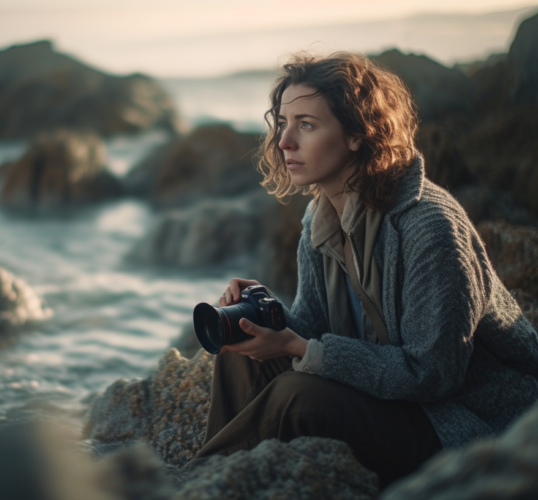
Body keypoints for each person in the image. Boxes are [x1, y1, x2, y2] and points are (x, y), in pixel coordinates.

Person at [193, 52, 538, 488]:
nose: (284, 142)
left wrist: (302, 349)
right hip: (385, 397)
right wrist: (267, 317)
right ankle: (223, 476)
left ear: (357, 134)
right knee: (238, 354)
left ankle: (206, 481)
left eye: (306, 124)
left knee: (294, 397)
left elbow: (434, 373)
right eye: (282, 122)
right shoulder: (321, 219)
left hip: (458, 422)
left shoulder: (428, 227)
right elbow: (313, 328)